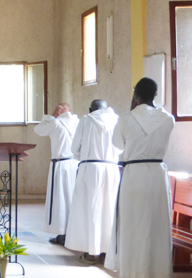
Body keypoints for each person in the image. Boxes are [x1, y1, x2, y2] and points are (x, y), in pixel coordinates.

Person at [104, 78, 175, 278]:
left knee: (133, 225)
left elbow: (117, 144)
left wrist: (130, 111)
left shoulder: (126, 118)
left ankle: (134, 272)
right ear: (156, 94)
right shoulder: (168, 118)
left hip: (134, 176)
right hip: (158, 176)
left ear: (135, 95)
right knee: (156, 225)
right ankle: (158, 271)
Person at [65, 100, 121, 264]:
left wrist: (83, 155)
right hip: (111, 168)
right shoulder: (116, 120)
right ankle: (107, 252)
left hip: (90, 168)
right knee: (108, 210)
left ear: (90, 110)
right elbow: (121, 147)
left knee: (90, 210)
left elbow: (74, 148)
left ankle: (91, 252)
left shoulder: (86, 120)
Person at [34, 102, 79, 245]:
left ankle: (61, 233)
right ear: (70, 111)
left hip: (60, 165)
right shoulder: (78, 122)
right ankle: (72, 232)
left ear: (60, 111)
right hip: (74, 164)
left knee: (60, 200)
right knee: (72, 199)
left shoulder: (56, 123)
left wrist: (53, 116)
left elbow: (38, 130)